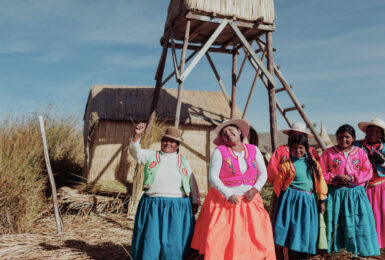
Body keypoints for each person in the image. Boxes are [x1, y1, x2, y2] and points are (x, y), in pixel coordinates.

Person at [191, 119, 275, 259]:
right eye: (224, 134)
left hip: (250, 200)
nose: (228, 134)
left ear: (239, 132)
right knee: (224, 237)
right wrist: (228, 194)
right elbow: (213, 177)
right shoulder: (220, 152)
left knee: (253, 236)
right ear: (223, 139)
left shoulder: (254, 150)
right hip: (226, 202)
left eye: (231, 130)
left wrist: (255, 190)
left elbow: (263, 174)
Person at [129, 123, 199, 260]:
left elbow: (191, 180)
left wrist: (195, 200)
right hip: (153, 204)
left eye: (172, 141)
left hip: (178, 206)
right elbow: (135, 152)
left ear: (178, 145)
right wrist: (137, 135)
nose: (168, 143)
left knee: (174, 241)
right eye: (165, 140)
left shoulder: (183, 161)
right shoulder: (151, 155)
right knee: (151, 239)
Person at [320, 124, 380, 257]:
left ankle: (359, 251)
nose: (343, 140)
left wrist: (352, 177)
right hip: (336, 193)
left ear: (353, 138)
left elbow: (367, 171)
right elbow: (321, 171)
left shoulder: (360, 152)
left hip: (355, 194)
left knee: (357, 222)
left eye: (347, 137)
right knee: (338, 223)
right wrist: (335, 177)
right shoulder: (328, 153)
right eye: (340, 137)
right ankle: (338, 252)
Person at [272, 134, 328, 259]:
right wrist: (283, 201)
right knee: (293, 227)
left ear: (306, 148)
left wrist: (322, 199)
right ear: (290, 149)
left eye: (300, 148)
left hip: (308, 201)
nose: (297, 151)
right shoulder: (287, 164)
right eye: (294, 148)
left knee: (306, 228)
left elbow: (320, 182)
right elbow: (278, 184)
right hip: (291, 201)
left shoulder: (313, 164)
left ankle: (304, 254)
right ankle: (291, 254)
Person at [355, 118, 385, 249]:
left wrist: (382, 162)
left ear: (382, 135)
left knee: (381, 214)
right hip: (363, 189)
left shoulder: (384, 148)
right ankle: (366, 245)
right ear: (366, 132)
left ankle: (381, 245)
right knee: (365, 216)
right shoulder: (357, 146)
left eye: (377, 131)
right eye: (371, 130)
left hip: (381, 187)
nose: (374, 133)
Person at [267, 122, 320, 186]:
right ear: (290, 136)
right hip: (283, 188)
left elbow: (318, 169)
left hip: (307, 190)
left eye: (300, 136)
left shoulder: (311, 151)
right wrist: (280, 185)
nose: (297, 138)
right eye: (295, 135)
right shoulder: (281, 150)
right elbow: (272, 169)